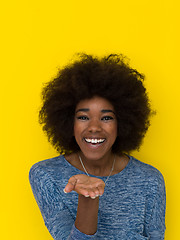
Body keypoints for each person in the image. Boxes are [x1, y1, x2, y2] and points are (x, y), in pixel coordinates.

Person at [29, 53, 166, 240]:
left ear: (122, 123)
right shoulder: (46, 175)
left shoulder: (150, 180)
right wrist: (88, 199)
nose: (94, 127)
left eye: (107, 117)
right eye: (83, 117)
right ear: (69, 121)